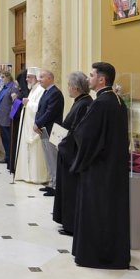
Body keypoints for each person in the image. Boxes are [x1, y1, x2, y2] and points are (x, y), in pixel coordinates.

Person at [71, 62, 131, 269]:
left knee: (98, 211)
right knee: (111, 211)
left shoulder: (101, 103)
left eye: (91, 75)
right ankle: (114, 253)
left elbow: (84, 134)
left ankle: (95, 255)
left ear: (102, 80)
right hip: (114, 166)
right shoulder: (118, 101)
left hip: (99, 168)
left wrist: (74, 140)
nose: (88, 79)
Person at [52, 71, 92, 235]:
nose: (67, 88)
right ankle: (66, 221)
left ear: (75, 88)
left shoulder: (84, 104)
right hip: (66, 151)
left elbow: (77, 131)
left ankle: (72, 225)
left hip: (72, 154)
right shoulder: (79, 102)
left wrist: (62, 143)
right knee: (65, 189)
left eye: (69, 85)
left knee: (71, 190)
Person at [14, 70, 48, 184]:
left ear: (35, 77)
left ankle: (37, 177)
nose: (27, 79)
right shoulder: (33, 90)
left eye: (29, 77)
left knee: (36, 154)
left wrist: (28, 103)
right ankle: (27, 175)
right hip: (27, 126)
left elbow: (40, 108)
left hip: (35, 127)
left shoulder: (40, 90)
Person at [35, 70, 64, 197]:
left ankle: (57, 186)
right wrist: (37, 123)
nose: (39, 79)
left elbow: (50, 112)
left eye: (42, 77)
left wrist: (38, 123)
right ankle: (52, 183)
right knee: (48, 158)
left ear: (50, 78)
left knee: (53, 158)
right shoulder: (46, 92)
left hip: (52, 130)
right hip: (44, 130)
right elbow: (40, 110)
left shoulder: (55, 93)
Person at [7, 72, 31, 175]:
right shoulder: (23, 92)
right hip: (16, 122)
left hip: (20, 123)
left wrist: (15, 99)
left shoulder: (25, 93)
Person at [0, 71, 16, 168]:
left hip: (7, 118)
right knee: (4, 139)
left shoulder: (13, 87)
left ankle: (10, 159)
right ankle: (7, 157)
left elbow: (15, 103)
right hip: (1, 117)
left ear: (8, 77)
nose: (1, 79)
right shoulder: (4, 87)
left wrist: (11, 116)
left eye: (2, 77)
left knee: (8, 139)